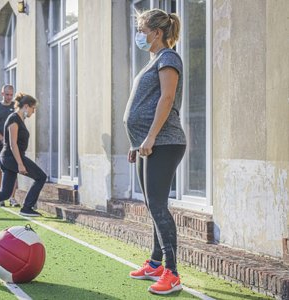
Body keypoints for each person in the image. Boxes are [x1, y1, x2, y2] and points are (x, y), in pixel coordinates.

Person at [123, 9, 186, 295]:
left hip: (164, 141)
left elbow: (167, 97)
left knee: (158, 205)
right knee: (152, 205)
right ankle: (155, 263)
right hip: (148, 144)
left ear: (156, 32)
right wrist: (138, 143)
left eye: (141, 29)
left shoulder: (168, 58)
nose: (139, 34)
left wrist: (149, 137)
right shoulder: (154, 60)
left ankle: (172, 273)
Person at [0, 85, 20, 208]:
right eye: (7, 94)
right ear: (2, 94)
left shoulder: (15, 107)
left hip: (13, 145)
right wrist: (2, 139)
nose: (9, 97)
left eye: (11, 94)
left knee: (13, 169)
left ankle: (12, 198)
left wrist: (12, 141)